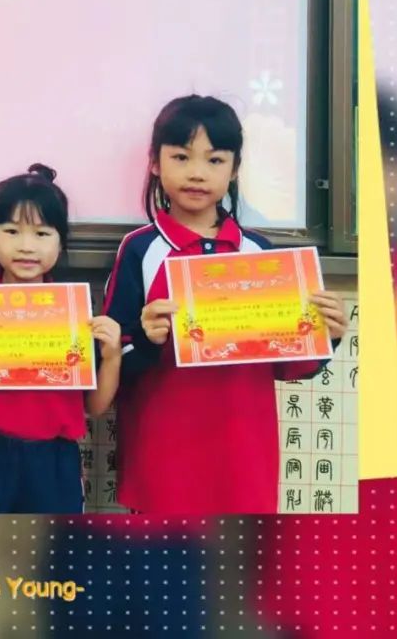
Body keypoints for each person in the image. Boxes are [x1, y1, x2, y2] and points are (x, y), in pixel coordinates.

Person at [104, 95, 347, 514]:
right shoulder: (140, 250)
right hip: (162, 455)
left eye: (215, 160)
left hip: (245, 456)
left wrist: (329, 336)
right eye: (181, 157)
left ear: (235, 169)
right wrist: (144, 340)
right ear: (155, 163)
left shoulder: (260, 253)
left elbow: (292, 365)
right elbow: (110, 360)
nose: (197, 172)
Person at [0, 163, 121, 514]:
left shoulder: (75, 314)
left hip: (54, 459)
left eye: (42, 233)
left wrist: (112, 356)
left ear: (61, 242)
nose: (26, 246)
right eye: (12, 231)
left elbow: (93, 407)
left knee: (51, 550)